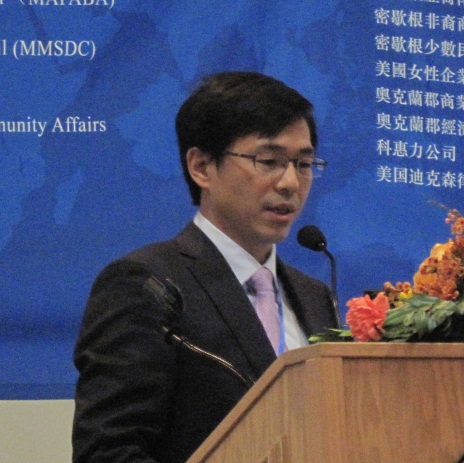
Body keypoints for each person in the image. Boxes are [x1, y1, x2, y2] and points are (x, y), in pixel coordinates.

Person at [72, 71, 338, 463]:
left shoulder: (315, 296)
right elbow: (108, 451)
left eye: (303, 163)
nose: (290, 183)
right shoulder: (145, 285)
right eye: (269, 161)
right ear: (201, 166)